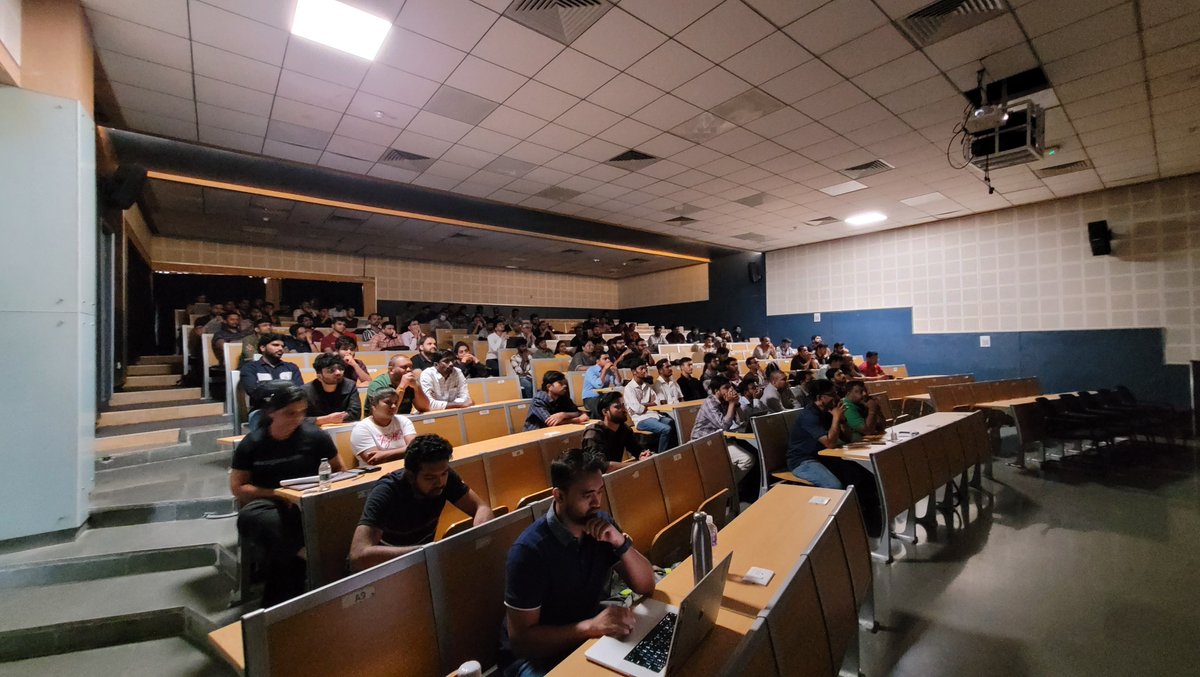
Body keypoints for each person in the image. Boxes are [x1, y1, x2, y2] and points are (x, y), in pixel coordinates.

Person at [502, 447, 656, 675]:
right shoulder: (529, 551)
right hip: (535, 658)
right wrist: (590, 627)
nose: (597, 503)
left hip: (586, 633)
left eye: (600, 492)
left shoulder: (601, 525)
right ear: (559, 496)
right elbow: (522, 641)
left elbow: (646, 585)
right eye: (587, 495)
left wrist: (619, 542)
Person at [230, 383, 342, 605]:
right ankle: (302, 556)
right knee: (274, 525)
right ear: (272, 413)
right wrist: (278, 494)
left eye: (302, 412)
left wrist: (315, 492)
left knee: (289, 543)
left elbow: (339, 469)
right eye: (290, 413)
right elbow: (238, 487)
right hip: (266, 502)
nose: (298, 419)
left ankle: (278, 604)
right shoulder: (253, 443)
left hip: (309, 497)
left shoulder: (316, 437)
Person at [349, 434, 493, 571]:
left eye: (444, 473)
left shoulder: (445, 477)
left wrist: (481, 533)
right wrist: (425, 553)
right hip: (387, 568)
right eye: (430, 478)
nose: (440, 482)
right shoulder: (387, 490)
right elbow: (358, 555)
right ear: (411, 476)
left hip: (424, 561)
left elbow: (482, 507)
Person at [786, 380, 880, 534]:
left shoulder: (829, 411)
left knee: (862, 474)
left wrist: (841, 421)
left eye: (836, 393)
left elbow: (846, 438)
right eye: (832, 395)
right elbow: (830, 443)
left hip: (824, 457)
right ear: (820, 397)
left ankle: (866, 519)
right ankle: (831, 529)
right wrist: (836, 418)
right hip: (803, 461)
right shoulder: (809, 416)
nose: (837, 398)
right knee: (834, 486)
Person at [690, 376, 756, 485]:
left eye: (730, 387)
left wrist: (736, 403)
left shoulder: (725, 400)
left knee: (750, 451)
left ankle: (728, 484)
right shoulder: (710, 402)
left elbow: (741, 421)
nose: (730, 390)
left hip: (720, 439)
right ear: (717, 391)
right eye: (726, 388)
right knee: (747, 459)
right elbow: (723, 426)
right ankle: (725, 486)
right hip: (703, 442)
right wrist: (731, 403)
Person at [239, 333, 303, 430]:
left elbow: (299, 389)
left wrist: (267, 387)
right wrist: (286, 385)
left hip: (289, 408)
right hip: (262, 410)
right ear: (263, 348)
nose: (280, 348)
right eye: (275, 345)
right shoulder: (250, 368)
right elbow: (254, 391)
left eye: (282, 346)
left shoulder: (291, 367)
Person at [582, 392, 653, 471]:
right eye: (617, 407)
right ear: (605, 412)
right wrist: (636, 464)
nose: (623, 410)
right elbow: (603, 467)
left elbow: (636, 449)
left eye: (623, 406)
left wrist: (642, 454)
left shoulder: (623, 429)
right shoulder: (593, 433)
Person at [349, 388, 417, 465]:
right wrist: (406, 450)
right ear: (374, 405)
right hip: (377, 473)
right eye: (388, 402)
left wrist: (383, 454)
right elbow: (373, 460)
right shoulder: (361, 428)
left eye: (396, 402)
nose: (394, 406)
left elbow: (415, 449)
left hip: (405, 469)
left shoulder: (403, 420)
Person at [623, 360, 677, 454]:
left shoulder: (647, 386)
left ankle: (672, 451)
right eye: (642, 368)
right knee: (666, 429)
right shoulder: (629, 388)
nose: (645, 371)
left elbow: (657, 402)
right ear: (634, 372)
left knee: (672, 422)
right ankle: (662, 455)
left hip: (655, 415)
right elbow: (638, 409)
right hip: (641, 419)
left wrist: (643, 404)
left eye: (646, 368)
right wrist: (649, 404)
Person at [303, 353, 362, 425]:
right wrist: (326, 419)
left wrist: (320, 420)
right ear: (319, 377)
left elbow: (355, 414)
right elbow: (299, 419)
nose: (338, 373)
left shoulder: (350, 385)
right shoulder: (305, 391)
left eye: (340, 369)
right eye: (331, 370)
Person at [366, 354, 431, 414]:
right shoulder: (378, 384)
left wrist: (417, 387)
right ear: (391, 370)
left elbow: (424, 408)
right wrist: (402, 387)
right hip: (379, 423)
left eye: (411, 367)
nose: (409, 370)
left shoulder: (411, 384)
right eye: (404, 367)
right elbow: (385, 412)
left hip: (404, 421)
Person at [581, 353, 621, 418]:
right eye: (605, 359)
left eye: (608, 358)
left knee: (616, 404)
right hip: (590, 398)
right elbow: (598, 385)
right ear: (598, 361)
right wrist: (604, 370)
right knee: (602, 408)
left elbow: (618, 384)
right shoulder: (591, 370)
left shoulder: (609, 370)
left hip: (603, 397)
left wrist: (616, 372)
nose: (608, 361)